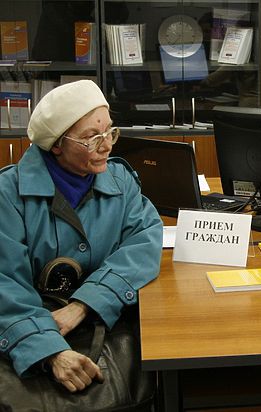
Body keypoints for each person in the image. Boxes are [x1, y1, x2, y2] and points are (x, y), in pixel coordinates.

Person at [0, 80, 163, 393]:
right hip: (24, 333)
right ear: (57, 144)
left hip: (103, 323)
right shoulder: (9, 194)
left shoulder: (120, 181)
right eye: (92, 138)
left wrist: (84, 304)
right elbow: (7, 287)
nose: (107, 146)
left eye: (110, 132)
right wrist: (51, 351)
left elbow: (144, 241)